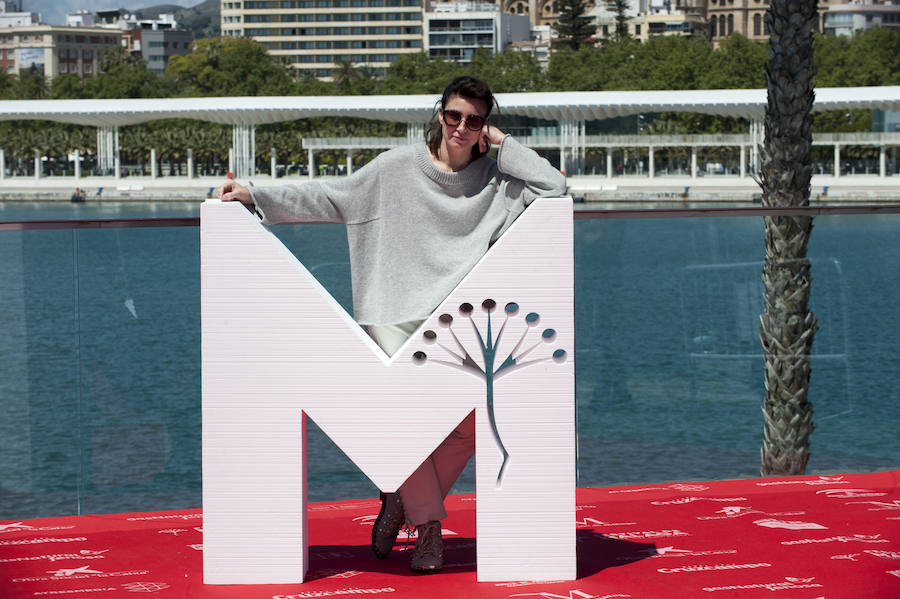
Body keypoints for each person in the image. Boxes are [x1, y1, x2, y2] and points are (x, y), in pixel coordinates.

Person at [218, 75, 566, 573]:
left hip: (456, 321)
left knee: (469, 428)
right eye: (453, 116)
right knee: (409, 423)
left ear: (486, 127)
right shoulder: (395, 168)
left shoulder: (500, 183)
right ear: (438, 115)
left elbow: (554, 187)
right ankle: (429, 529)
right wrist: (254, 194)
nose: (461, 128)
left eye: (475, 121)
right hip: (392, 314)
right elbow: (331, 197)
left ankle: (401, 497)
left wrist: (506, 147)